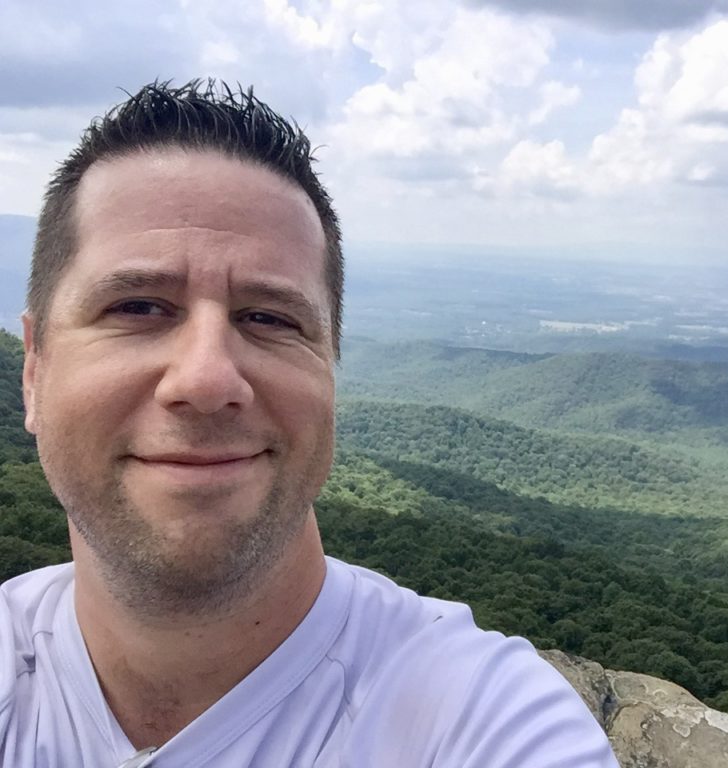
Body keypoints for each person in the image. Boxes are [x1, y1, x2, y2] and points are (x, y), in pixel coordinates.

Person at [0, 80, 619, 767]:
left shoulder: (478, 721)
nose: (206, 380)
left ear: (330, 371)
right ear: (34, 370)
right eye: (139, 307)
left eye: (269, 318)